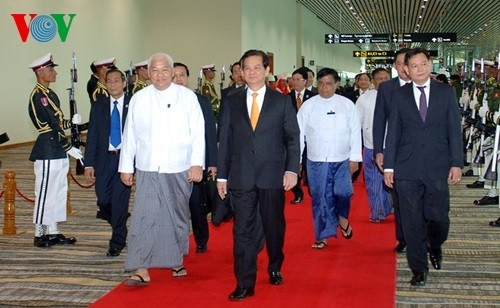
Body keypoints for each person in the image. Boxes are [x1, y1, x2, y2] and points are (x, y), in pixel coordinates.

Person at [217, 49, 300, 301]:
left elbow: (293, 138)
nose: (251, 72)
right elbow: (226, 140)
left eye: (257, 67)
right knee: (242, 230)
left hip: (272, 175)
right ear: (240, 71)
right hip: (240, 175)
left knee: (273, 227)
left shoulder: (281, 101)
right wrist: (222, 177)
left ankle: (275, 264)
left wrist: (292, 169)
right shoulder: (231, 100)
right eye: (247, 68)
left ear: (266, 70)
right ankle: (245, 282)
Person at [118, 53, 205, 286]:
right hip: (147, 167)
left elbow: (198, 132)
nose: (159, 75)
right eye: (154, 70)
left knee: (174, 215)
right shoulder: (139, 98)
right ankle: (140, 267)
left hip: (179, 167)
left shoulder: (187, 98)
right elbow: (130, 135)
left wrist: (197, 163)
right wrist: (125, 167)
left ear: (172, 70)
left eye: (164, 69)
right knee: (143, 217)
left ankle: (175, 259)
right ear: (148, 72)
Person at [383, 48, 463, 287]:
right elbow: (394, 131)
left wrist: (456, 163)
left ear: (430, 65)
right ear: (406, 69)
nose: (419, 69)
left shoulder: (445, 93)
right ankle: (419, 268)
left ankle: (435, 245)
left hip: (437, 166)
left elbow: (453, 130)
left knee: (438, 216)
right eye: (414, 65)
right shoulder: (398, 95)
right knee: (411, 220)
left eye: (423, 64)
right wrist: (389, 167)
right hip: (406, 167)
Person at [297, 67, 360, 249]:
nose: (324, 88)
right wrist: (297, 161)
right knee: (320, 198)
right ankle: (322, 236)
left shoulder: (347, 105)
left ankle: (342, 219)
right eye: (321, 84)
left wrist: (355, 158)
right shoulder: (308, 106)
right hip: (316, 160)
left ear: (337, 84)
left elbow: (356, 132)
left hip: (342, 159)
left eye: (329, 84)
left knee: (343, 193)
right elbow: (299, 134)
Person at [28, 53, 82, 248]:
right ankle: (39, 233)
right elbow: (52, 125)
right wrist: (70, 148)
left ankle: (54, 231)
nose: (55, 72)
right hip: (48, 149)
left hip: (57, 150)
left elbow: (59, 122)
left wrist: (73, 123)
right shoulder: (38, 96)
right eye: (51, 69)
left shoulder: (50, 94)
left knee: (59, 190)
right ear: (40, 71)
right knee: (45, 192)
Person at [84, 68, 132, 257]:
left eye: (116, 81)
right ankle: (119, 225)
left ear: (124, 83)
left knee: (120, 201)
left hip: (124, 159)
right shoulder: (99, 105)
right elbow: (93, 135)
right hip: (104, 160)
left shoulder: (132, 104)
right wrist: (88, 164)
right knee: (103, 199)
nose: (113, 84)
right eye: (109, 81)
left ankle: (117, 241)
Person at [173, 62, 217, 253]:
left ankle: (201, 239)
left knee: (196, 205)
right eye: (174, 76)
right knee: (174, 206)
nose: (178, 79)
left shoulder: (200, 100)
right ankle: (176, 241)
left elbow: (209, 133)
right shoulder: (162, 101)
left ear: (187, 78)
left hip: (195, 163)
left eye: (182, 75)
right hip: (172, 164)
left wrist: (212, 162)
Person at [373, 48, 410, 254]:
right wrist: (379, 150)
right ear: (395, 66)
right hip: (394, 149)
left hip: (420, 151)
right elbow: (379, 120)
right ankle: (403, 237)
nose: (403, 66)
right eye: (399, 62)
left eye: (407, 62)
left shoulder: (425, 86)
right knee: (399, 196)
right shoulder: (387, 88)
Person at [356, 68, 392, 222]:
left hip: (392, 146)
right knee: (373, 181)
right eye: (379, 79)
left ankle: (389, 206)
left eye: (386, 78)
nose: (383, 82)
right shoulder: (365, 98)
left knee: (391, 181)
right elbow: (357, 123)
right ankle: (377, 212)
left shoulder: (397, 95)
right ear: (373, 81)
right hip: (371, 146)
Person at [288, 67, 316, 204]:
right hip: (292, 138)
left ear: (305, 81)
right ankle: (298, 192)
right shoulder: (286, 98)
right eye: (293, 79)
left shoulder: (314, 97)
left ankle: (313, 190)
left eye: (298, 79)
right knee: (294, 164)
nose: (295, 82)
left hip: (309, 138)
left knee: (308, 165)